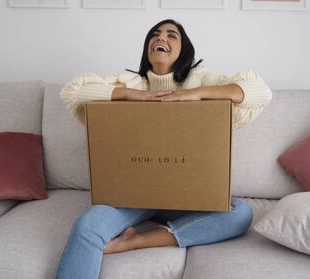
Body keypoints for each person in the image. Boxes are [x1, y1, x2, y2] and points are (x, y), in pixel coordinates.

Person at [55, 19, 272, 279]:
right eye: (155, 35)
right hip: (130, 196)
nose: (161, 38)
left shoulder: (202, 80)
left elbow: (261, 92)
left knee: (241, 213)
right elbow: (71, 93)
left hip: (187, 197)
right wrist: (129, 95)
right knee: (87, 225)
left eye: (172, 35)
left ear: (184, 49)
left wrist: (199, 94)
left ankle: (135, 241)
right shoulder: (129, 82)